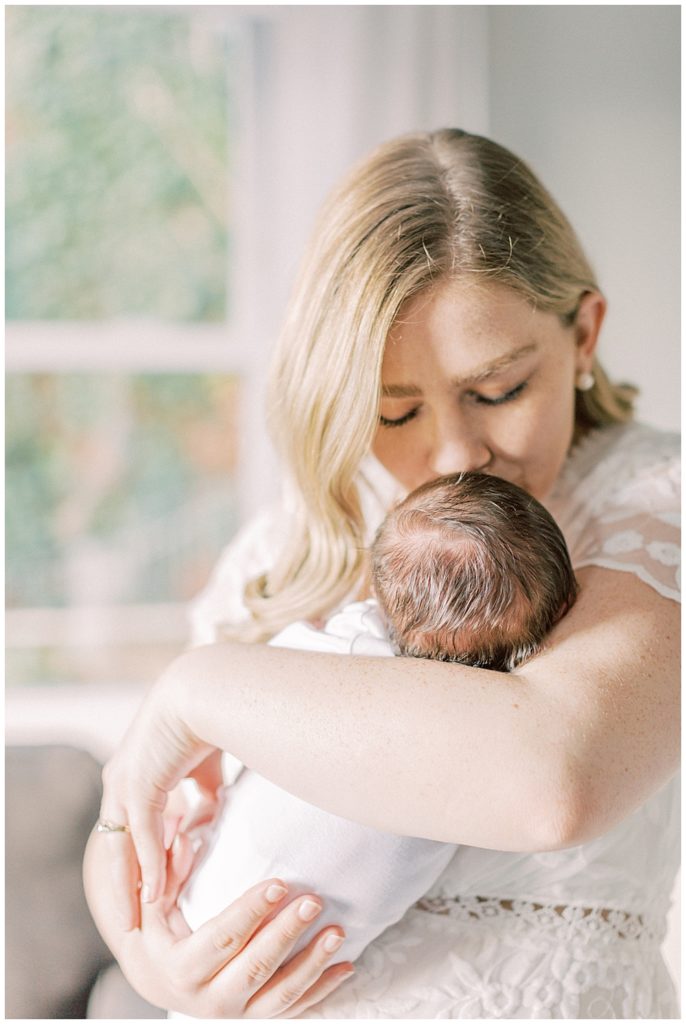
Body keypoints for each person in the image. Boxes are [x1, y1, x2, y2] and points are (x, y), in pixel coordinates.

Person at [84, 128, 680, 1019]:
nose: (453, 456)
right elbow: (138, 807)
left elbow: (556, 779)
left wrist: (196, 689)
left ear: (584, 333)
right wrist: (143, 951)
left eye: (498, 391)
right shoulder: (295, 541)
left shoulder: (650, 504)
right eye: (393, 410)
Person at [169, 470, 577, 1007]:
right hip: (304, 957)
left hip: (209, 908)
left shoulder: (336, 644)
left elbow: (251, 693)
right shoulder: (486, 729)